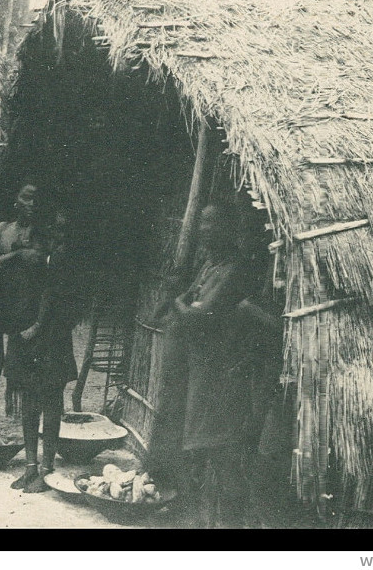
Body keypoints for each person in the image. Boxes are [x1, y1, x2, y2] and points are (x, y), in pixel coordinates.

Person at [146, 200, 258, 527]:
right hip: (198, 369)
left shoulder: (235, 268)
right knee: (191, 443)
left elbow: (199, 316)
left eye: (211, 224)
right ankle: (190, 515)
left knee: (217, 451)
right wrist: (186, 303)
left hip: (220, 373)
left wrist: (180, 302)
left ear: (228, 228)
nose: (204, 231)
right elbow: (189, 306)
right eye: (203, 224)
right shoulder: (211, 264)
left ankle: (225, 521)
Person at [1, 208, 79, 493]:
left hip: (52, 336)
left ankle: (47, 468)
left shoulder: (64, 259)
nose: (58, 236)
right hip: (27, 334)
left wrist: (37, 325)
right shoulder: (33, 253)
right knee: (29, 399)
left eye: (62, 231)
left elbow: (55, 294)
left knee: (51, 401)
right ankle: (30, 465)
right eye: (53, 230)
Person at [0, 183, 47, 416]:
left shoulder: (44, 233)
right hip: (0, 307)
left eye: (36, 199)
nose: (32, 204)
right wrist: (15, 256)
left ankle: (17, 422)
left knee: (22, 373)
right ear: (16, 200)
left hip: (29, 309)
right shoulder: (3, 229)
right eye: (27, 198)